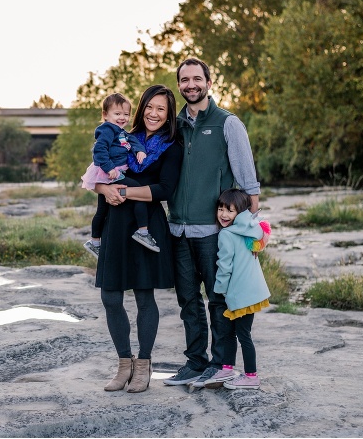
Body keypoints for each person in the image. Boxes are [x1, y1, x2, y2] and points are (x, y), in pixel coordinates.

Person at [162, 57, 262, 388]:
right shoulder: (173, 127)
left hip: (215, 233)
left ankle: (222, 364)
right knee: (188, 300)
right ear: (178, 85)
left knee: (218, 299)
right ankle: (195, 363)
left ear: (208, 82)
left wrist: (247, 236)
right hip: (178, 229)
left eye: (196, 79)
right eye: (184, 80)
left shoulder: (227, 123)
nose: (191, 84)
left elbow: (249, 188)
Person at [93, 85, 183, 393]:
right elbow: (98, 171)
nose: (154, 113)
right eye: (150, 107)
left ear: (169, 114)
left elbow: (165, 190)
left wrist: (124, 191)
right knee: (110, 297)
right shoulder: (121, 136)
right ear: (141, 107)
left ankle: (143, 365)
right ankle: (123, 364)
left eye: (162, 109)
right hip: (116, 222)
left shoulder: (171, 146)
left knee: (145, 297)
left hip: (145, 223)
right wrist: (103, 189)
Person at [199, 188, 271, 390]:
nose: (223, 215)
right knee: (231, 331)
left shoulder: (227, 234)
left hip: (239, 292)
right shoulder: (252, 228)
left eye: (229, 211)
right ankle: (227, 368)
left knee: (242, 334)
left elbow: (225, 266)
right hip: (250, 290)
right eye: (221, 209)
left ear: (239, 213)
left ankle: (251, 377)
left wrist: (218, 289)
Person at [81, 93, 159, 258]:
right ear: (105, 115)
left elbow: (132, 140)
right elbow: (99, 150)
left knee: (102, 209)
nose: (122, 118)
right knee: (137, 191)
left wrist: (140, 151)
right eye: (117, 114)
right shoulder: (108, 130)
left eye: (126, 114)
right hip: (109, 172)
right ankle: (143, 232)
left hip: (112, 172)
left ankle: (94, 242)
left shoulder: (121, 132)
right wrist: (109, 168)